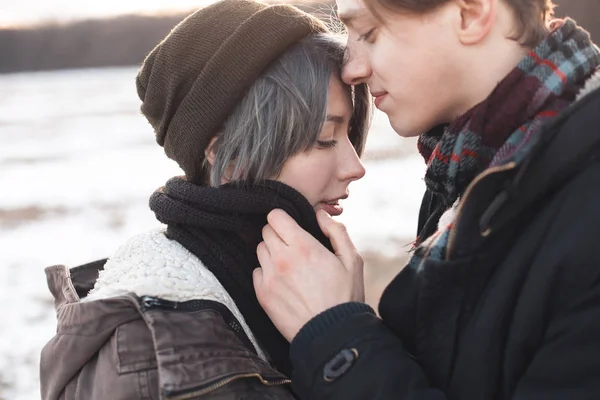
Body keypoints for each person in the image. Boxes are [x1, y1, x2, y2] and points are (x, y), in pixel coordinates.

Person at [253, 0, 600, 398]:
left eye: (369, 33)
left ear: (470, 13)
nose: (352, 68)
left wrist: (338, 338)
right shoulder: (471, 168)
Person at [39, 1, 370, 398]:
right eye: (323, 139)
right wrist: (344, 339)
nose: (355, 166)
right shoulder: (149, 352)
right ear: (226, 155)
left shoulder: (293, 286)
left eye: (350, 134)